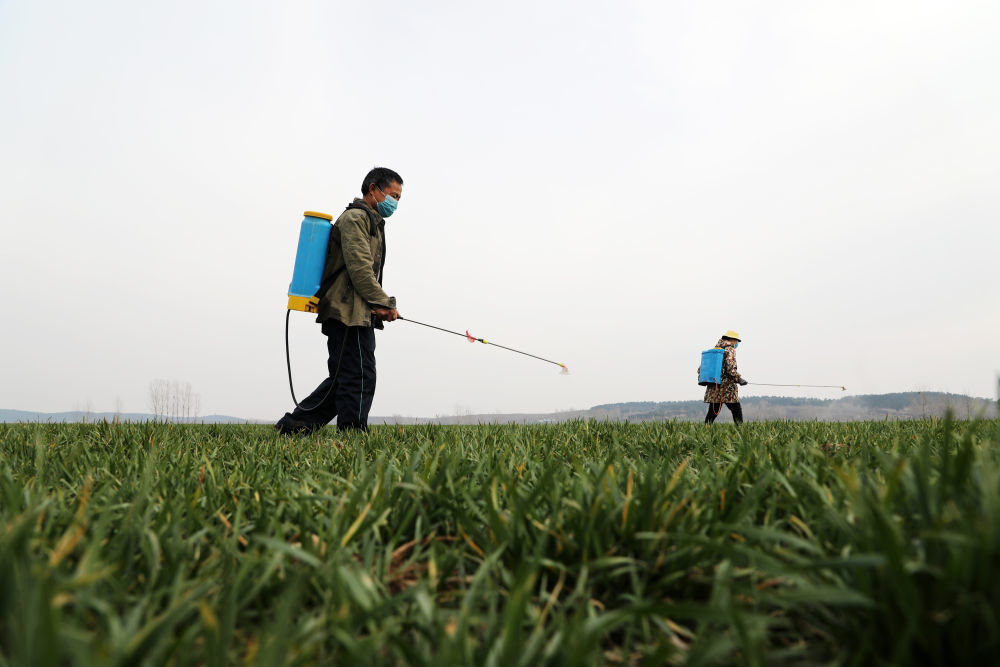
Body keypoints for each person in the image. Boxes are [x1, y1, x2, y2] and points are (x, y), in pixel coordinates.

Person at [275, 167, 403, 435]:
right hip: (348, 312)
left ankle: (294, 427)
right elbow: (360, 269)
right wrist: (386, 303)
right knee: (359, 376)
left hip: (356, 311)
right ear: (373, 189)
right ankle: (354, 433)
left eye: (399, 198)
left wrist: (379, 307)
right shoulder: (356, 219)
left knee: (341, 380)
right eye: (393, 195)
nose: (395, 203)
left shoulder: (372, 222)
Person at [703, 330, 748, 424]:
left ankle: (705, 429)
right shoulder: (729, 349)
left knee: (713, 410)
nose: (736, 343)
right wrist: (739, 379)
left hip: (714, 385)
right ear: (731, 339)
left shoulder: (715, 350)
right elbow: (730, 368)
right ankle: (740, 431)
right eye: (736, 341)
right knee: (736, 409)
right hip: (727, 387)